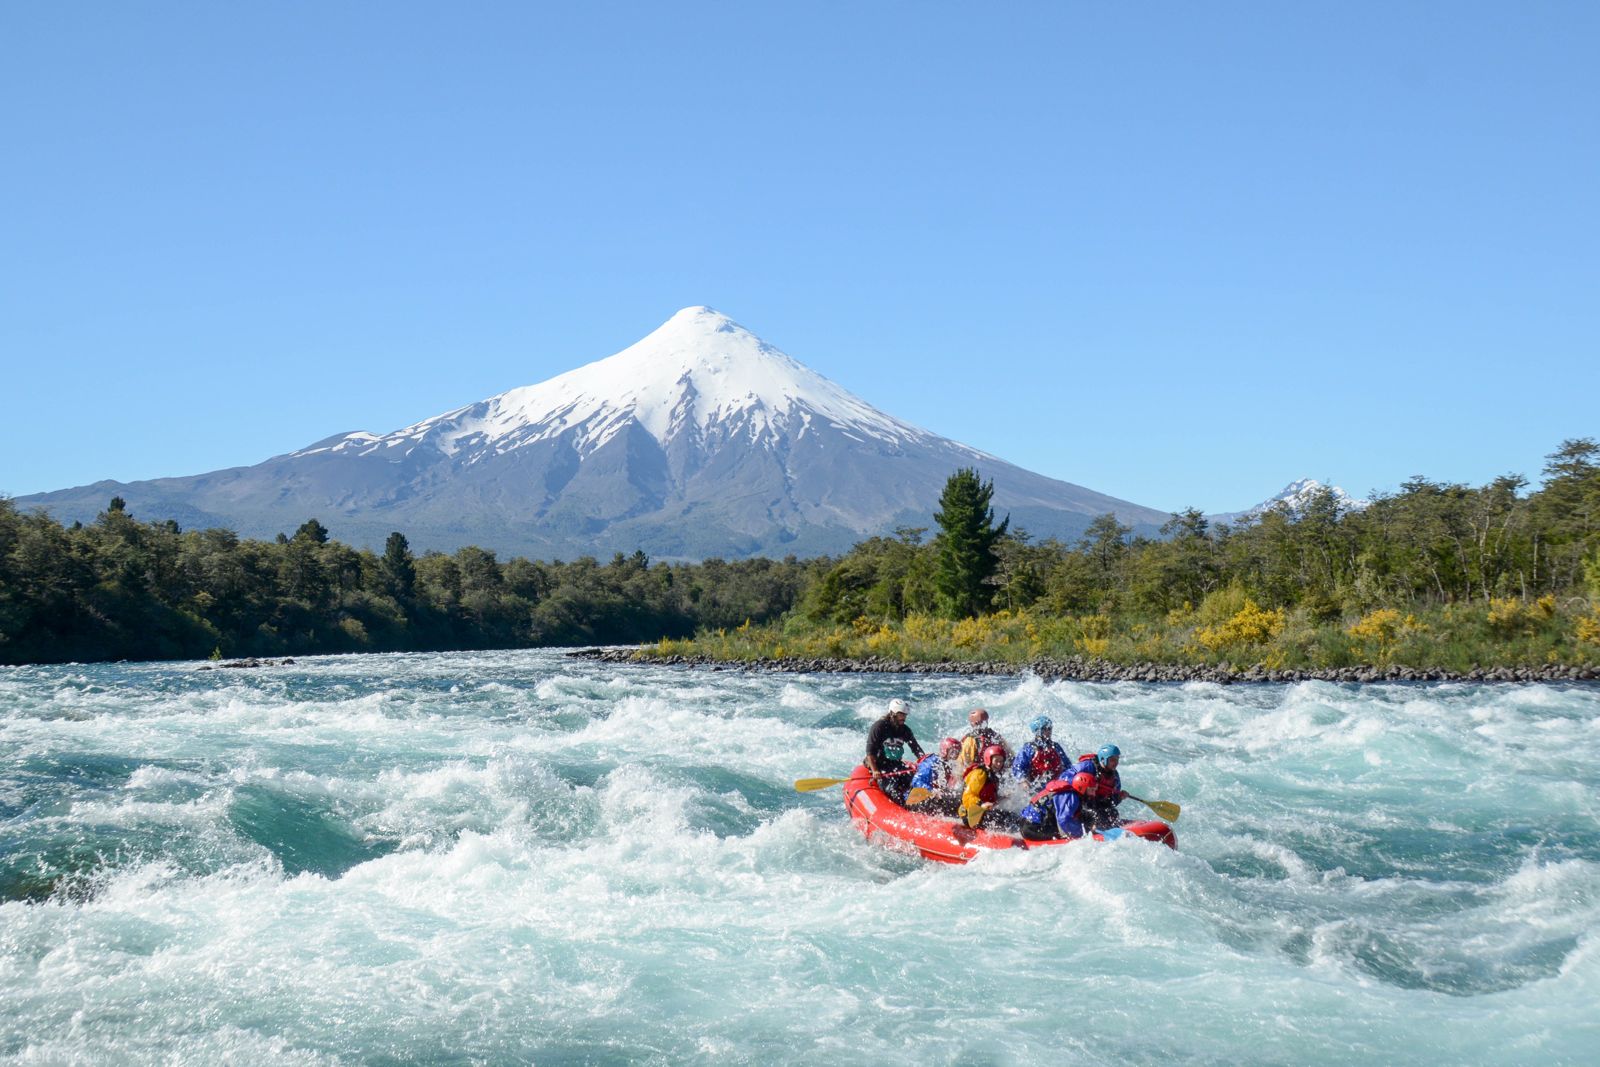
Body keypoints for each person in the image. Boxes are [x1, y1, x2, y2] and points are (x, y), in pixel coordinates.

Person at [1018, 743, 1129, 841]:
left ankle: (1100, 826)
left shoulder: (1114, 776)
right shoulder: (1075, 786)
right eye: (1112, 759)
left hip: (1077, 798)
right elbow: (1064, 819)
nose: (1116, 763)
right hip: (1032, 827)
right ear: (1104, 759)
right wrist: (1085, 835)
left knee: (1106, 814)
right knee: (1079, 820)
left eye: (1117, 759)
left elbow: (1111, 800)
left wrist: (1118, 797)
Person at [865, 697, 924, 804]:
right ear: (892, 713)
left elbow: (916, 748)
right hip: (880, 766)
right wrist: (875, 770)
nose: (904, 717)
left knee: (917, 783)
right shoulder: (879, 727)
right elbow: (870, 751)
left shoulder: (904, 729)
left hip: (895, 764)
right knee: (893, 791)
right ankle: (905, 808)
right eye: (901, 714)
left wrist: (924, 760)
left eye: (905, 715)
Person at [957, 744, 1011, 829]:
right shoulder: (979, 774)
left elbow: (990, 800)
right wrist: (981, 804)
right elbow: (967, 796)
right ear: (988, 760)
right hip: (969, 814)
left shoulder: (993, 777)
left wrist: (1002, 798)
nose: (999, 764)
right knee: (1001, 818)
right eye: (996, 761)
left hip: (983, 812)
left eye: (1001, 761)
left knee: (1009, 815)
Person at [1011, 715, 1069, 790]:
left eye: (1050, 728)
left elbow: (1067, 766)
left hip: (1056, 786)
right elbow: (1017, 767)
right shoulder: (1029, 748)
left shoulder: (1056, 747)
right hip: (1035, 787)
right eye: (1045, 729)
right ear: (1038, 731)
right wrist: (1023, 781)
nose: (1048, 731)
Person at [909, 737, 963, 814]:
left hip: (935, 795)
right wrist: (933, 791)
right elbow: (916, 781)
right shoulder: (931, 763)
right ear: (945, 751)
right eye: (953, 752)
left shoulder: (950, 764)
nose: (955, 755)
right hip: (918, 797)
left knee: (956, 799)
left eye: (957, 752)